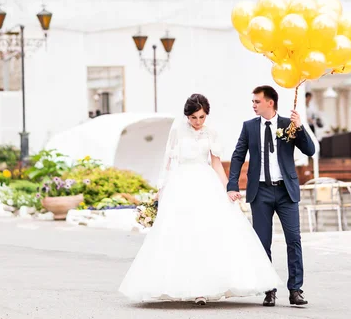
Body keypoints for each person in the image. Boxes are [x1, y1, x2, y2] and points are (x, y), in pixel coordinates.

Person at [119, 94, 281, 306]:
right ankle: (187, 286)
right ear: (187, 116)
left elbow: (216, 164)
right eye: (193, 117)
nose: (197, 122)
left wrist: (229, 189)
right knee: (182, 234)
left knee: (209, 233)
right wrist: (161, 189)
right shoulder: (177, 132)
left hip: (206, 183)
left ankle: (205, 288)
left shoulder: (211, 132)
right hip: (181, 183)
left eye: (201, 117)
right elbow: (167, 163)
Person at [227, 86, 316, 307]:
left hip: (286, 191)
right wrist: (232, 184)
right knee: (262, 243)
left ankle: (295, 290)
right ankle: (269, 290)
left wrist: (300, 127)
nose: (253, 105)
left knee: (293, 240)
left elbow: (310, 150)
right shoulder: (249, 127)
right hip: (261, 192)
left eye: (257, 101)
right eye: (253, 102)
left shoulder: (288, 125)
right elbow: (238, 155)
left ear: (270, 103)